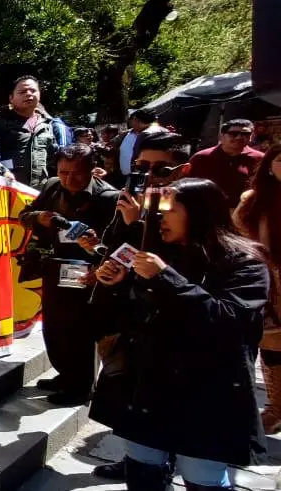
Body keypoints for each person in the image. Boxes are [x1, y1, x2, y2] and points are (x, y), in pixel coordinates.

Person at [91, 179, 268, 490]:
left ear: (198, 213)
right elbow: (134, 314)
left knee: (203, 477)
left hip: (208, 390)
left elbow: (227, 319)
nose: (158, 220)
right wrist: (116, 286)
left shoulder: (245, 262)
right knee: (143, 466)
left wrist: (165, 277)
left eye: (169, 211)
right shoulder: (162, 252)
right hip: (150, 383)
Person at [18, 143, 120, 405]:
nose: (68, 180)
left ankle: (80, 386)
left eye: (76, 174)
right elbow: (24, 216)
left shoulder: (109, 197)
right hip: (53, 266)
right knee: (54, 327)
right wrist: (40, 217)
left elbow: (121, 243)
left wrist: (100, 260)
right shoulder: (52, 186)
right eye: (63, 173)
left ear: (92, 171)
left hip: (89, 273)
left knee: (80, 331)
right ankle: (65, 374)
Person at [235, 145, 281, 434]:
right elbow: (237, 226)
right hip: (269, 279)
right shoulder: (254, 199)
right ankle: (276, 407)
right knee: (273, 345)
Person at [0, 75, 61, 189]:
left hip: (39, 191)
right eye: (22, 92)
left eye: (33, 90)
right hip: (7, 188)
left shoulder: (47, 124)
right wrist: (3, 172)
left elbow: (53, 158)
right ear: (11, 98)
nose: (29, 94)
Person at [188, 119, 265, 207]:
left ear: (252, 136)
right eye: (233, 134)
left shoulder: (260, 158)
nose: (239, 137)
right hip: (208, 210)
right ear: (222, 136)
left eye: (245, 134)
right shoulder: (201, 157)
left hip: (243, 211)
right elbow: (188, 186)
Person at [117, 109, 167, 178]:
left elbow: (138, 156)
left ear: (137, 120)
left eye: (133, 120)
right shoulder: (126, 134)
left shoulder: (146, 134)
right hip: (160, 172)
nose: (131, 123)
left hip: (143, 176)